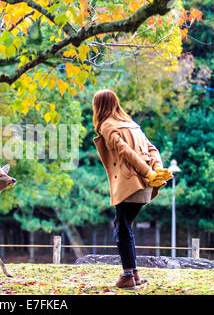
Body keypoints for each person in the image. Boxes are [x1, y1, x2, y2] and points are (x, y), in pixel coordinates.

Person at [92, 89, 173, 289]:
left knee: (121, 229)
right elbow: (152, 148)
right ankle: (134, 273)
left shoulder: (107, 125)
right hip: (144, 182)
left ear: (99, 106)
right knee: (125, 226)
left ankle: (128, 275)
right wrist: (156, 168)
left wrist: (149, 172)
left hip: (132, 184)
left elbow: (124, 151)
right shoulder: (131, 123)